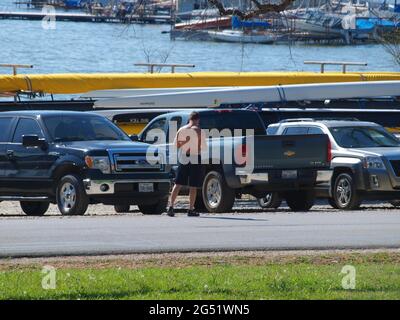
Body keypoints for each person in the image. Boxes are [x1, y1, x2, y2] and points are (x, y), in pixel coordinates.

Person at [167, 112, 207, 217]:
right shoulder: (199, 131)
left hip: (184, 156)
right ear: (198, 120)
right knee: (192, 185)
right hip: (194, 156)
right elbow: (203, 147)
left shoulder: (182, 129)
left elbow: (176, 145)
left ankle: (171, 207)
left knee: (178, 183)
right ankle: (190, 209)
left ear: (189, 119)